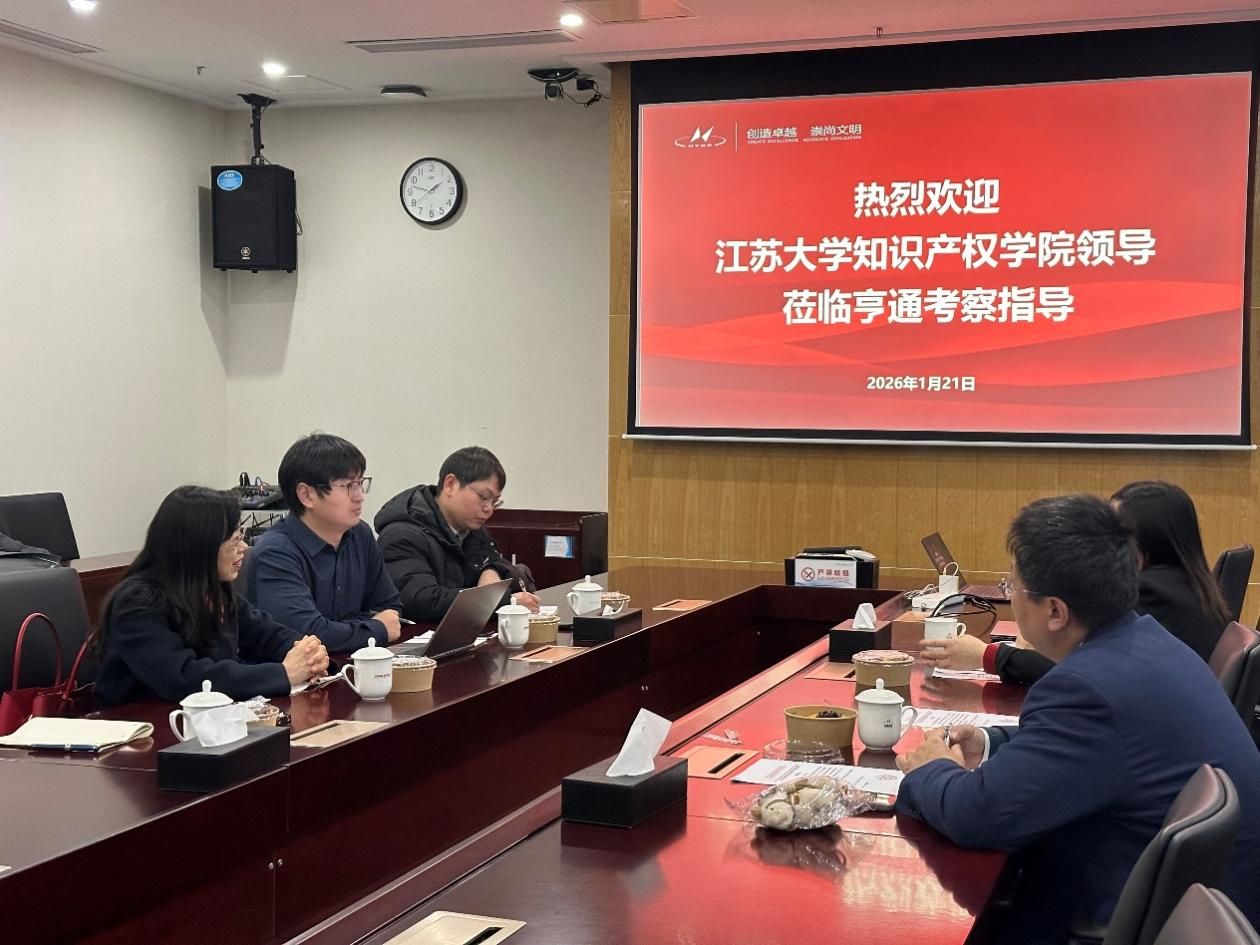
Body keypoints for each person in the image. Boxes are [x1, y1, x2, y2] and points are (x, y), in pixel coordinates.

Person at [896, 494, 1260, 945]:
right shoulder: (1147, 639)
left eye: (1013, 587)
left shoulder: (1086, 689)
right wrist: (990, 744)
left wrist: (932, 767)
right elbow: (1096, 747)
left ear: (1055, 611)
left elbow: (977, 816)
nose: (1011, 595)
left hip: (1112, 915)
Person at [921, 480, 1231, 683]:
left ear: (1144, 541)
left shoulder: (1149, 594)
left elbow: (1079, 673)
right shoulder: (1185, 584)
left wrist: (986, 656)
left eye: (1112, 529)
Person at [95, 486, 328, 706]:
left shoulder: (214, 590)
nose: (243, 548)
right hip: (143, 725)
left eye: (241, 535)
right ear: (200, 546)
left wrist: (308, 654)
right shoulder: (137, 603)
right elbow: (182, 678)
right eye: (234, 540)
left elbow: (265, 635)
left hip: (208, 721)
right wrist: (283, 673)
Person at [249, 433, 403, 651]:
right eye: (348, 486)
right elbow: (306, 635)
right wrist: (374, 628)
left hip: (354, 662)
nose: (360, 496)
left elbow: (390, 609)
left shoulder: (360, 534)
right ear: (306, 495)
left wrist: (343, 630)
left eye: (360, 483)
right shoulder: (275, 552)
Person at [375, 446, 540, 623]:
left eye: (495, 502)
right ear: (450, 484)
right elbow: (420, 601)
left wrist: (492, 570)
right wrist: (504, 602)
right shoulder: (401, 535)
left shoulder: (472, 531)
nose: (489, 509)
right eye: (484, 497)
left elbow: (514, 573)